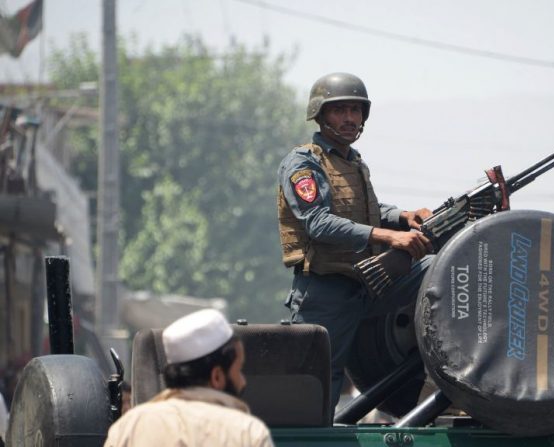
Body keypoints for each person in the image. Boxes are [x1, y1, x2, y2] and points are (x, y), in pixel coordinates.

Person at [278, 72, 434, 410]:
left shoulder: (353, 162)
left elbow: (369, 213)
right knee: (315, 395)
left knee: (438, 269)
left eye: (356, 110)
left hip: (369, 282)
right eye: (340, 110)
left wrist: (403, 217)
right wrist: (390, 235)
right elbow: (317, 222)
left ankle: (443, 373)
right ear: (320, 115)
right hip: (326, 292)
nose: (350, 118)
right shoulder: (304, 163)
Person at [104, 309, 272, 447]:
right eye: (238, 371)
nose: (242, 381)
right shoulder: (247, 433)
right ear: (217, 376)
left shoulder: (127, 429)